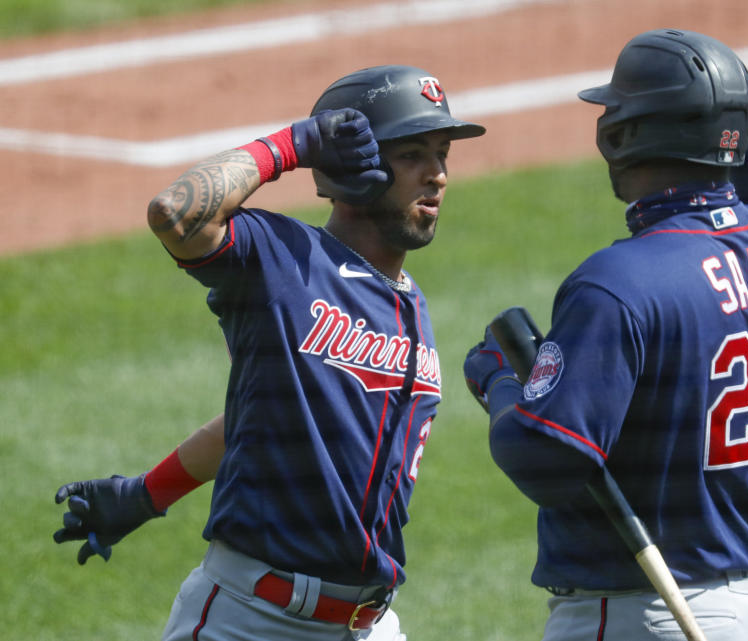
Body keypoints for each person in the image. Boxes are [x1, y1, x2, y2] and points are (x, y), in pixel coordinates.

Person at [53, 64, 485, 641]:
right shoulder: (281, 258)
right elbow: (176, 213)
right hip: (254, 621)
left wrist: (146, 493)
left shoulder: (414, 305)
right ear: (357, 167)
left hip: (370, 625)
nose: (438, 176)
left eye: (442, 154)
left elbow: (262, 417)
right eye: (413, 155)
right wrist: (296, 144)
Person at [463, 29, 748, 640]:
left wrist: (499, 379)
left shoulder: (618, 282)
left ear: (621, 136)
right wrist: (721, 106)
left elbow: (546, 460)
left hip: (644, 616)